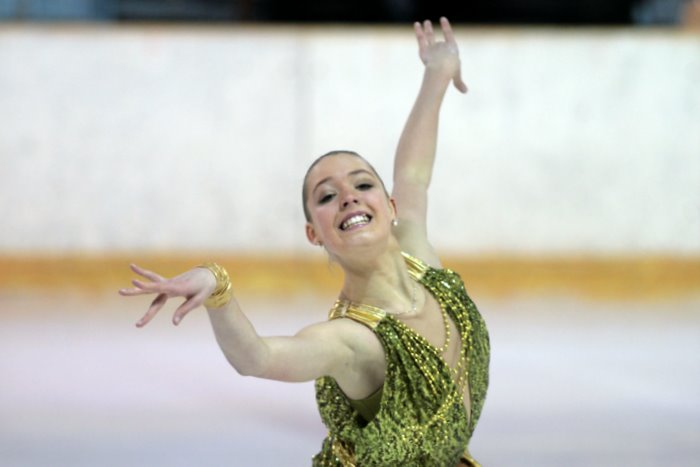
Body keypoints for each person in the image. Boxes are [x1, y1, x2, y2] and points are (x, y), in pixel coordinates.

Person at [120, 17, 490, 467]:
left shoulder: (420, 257)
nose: (349, 196)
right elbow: (256, 358)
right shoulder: (352, 340)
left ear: (390, 205)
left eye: (363, 184)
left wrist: (438, 72)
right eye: (327, 196)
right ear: (314, 233)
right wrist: (217, 288)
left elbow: (413, 172)